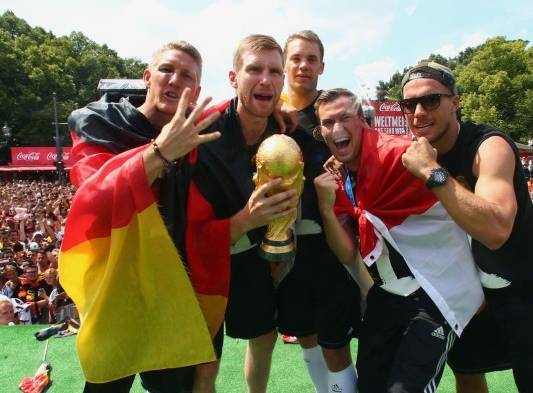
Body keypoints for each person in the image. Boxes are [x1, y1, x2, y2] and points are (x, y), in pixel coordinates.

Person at [62, 41, 224, 393]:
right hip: (117, 282)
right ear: (147, 77)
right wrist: (161, 152)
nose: (175, 80)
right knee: (107, 382)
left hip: (173, 285)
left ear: (195, 92)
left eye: (187, 77)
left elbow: (246, 103)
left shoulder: (200, 133)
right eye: (167, 70)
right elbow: (95, 196)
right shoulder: (102, 125)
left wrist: (285, 108)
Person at [313, 88, 484, 393]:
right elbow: (347, 252)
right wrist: (326, 209)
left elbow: (460, 199)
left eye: (345, 117)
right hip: (387, 296)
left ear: (363, 122)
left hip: (435, 294)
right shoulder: (337, 177)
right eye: (327, 122)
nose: (336, 128)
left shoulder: (399, 154)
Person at [400, 61, 533, 393]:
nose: (418, 111)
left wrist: (433, 172)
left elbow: (496, 230)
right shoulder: (415, 154)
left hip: (524, 284)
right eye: (409, 104)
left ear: (455, 102)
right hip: (470, 291)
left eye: (431, 100)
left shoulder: (489, 146)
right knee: (467, 371)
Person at [277, 30, 362, 393]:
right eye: (296, 58)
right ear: (284, 63)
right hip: (286, 246)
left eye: (311, 59)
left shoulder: (334, 112)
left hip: (332, 242)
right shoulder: (270, 112)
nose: (303, 65)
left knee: (335, 343)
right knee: (306, 335)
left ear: (322, 66)